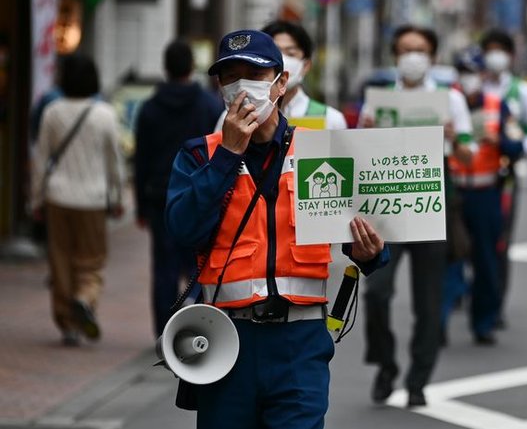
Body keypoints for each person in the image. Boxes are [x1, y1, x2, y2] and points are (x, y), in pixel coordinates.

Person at [165, 29, 388, 428]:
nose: (241, 87)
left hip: (299, 345)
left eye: (254, 73)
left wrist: (368, 252)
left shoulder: (320, 150)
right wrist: (227, 156)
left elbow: (361, 233)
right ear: (219, 87)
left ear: (281, 82)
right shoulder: (199, 154)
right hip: (225, 342)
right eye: (229, 77)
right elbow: (182, 231)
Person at [360, 24, 473, 408]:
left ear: (433, 56)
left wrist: (455, 138)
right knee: (376, 291)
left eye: (420, 50)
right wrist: (367, 131)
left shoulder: (449, 100)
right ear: (395, 55)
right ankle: (386, 363)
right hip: (387, 206)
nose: (412, 57)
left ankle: (418, 378)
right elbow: (359, 152)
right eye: (405, 49)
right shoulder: (379, 98)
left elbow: (468, 156)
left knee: (429, 302)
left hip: (431, 204)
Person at [31, 54, 124, 347]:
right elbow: (115, 162)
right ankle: (84, 299)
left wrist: (36, 199)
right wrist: (117, 196)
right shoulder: (105, 114)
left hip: (57, 196)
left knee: (60, 260)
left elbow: (40, 158)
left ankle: (67, 323)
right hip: (94, 198)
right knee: (92, 261)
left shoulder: (52, 112)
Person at [135, 40, 223, 338]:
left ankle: (164, 332)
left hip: (160, 197)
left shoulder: (150, 108)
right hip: (201, 195)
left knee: (164, 269)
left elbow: (141, 159)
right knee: (198, 265)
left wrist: (140, 206)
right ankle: (196, 329)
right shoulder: (210, 105)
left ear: (166, 68)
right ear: (192, 67)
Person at [443, 47, 523, 346]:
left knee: (487, 260)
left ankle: (484, 321)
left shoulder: (497, 105)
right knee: (447, 260)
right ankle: (438, 323)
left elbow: (518, 147)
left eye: (473, 72)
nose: (468, 79)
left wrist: (498, 140)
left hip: (486, 192)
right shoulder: (442, 104)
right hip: (450, 190)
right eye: (463, 72)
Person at [480, 29, 527, 327]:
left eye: (500, 50)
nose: (495, 56)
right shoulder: (470, 88)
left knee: (499, 241)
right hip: (470, 174)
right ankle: (467, 294)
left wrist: (516, 152)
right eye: (489, 50)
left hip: (503, 176)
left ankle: (496, 301)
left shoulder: (521, 91)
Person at [214, 20, 347, 131]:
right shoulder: (229, 119)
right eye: (276, 51)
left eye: (290, 53)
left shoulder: (329, 118)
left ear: (306, 65)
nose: (283, 60)